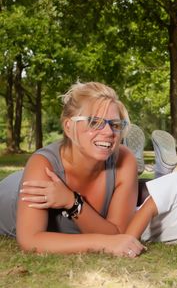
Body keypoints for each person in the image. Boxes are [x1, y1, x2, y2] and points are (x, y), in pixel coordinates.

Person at [0, 82, 143, 256]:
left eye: (115, 124)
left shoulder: (125, 159)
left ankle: (153, 181)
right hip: (12, 192)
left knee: (142, 191)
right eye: (94, 122)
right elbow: (30, 240)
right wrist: (102, 243)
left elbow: (117, 233)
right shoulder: (43, 164)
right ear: (69, 126)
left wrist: (71, 201)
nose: (109, 132)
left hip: (60, 187)